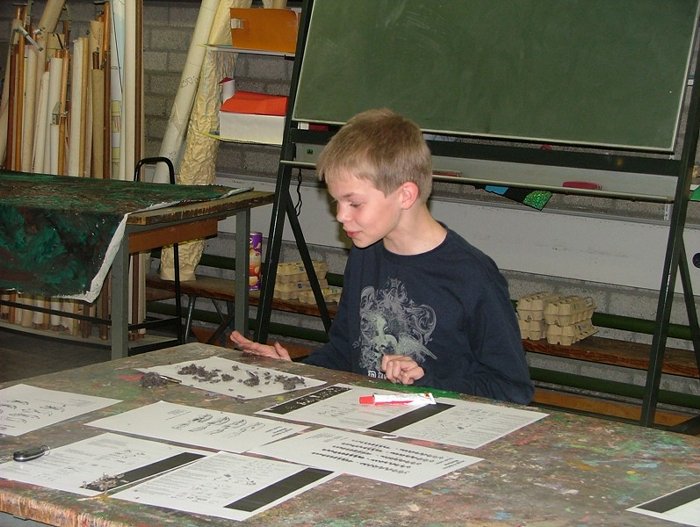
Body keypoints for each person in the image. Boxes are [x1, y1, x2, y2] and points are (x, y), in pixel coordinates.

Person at [230, 108, 534, 405]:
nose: (341, 216)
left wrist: (429, 384)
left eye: (354, 203)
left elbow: (512, 390)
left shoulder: (473, 276)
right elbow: (345, 353)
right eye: (337, 202)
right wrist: (295, 370)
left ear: (405, 195)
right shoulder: (365, 253)